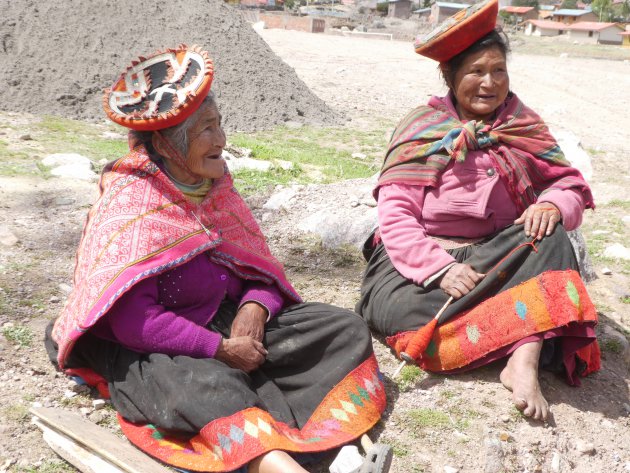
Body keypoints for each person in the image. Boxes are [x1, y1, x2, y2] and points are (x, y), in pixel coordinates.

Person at [45, 45, 390, 473]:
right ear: (169, 145)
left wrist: (255, 307)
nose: (222, 141)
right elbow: (133, 323)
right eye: (207, 130)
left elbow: (258, 268)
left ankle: (323, 434)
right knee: (204, 383)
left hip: (225, 321)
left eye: (219, 125)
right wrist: (218, 349)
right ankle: (282, 467)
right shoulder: (130, 204)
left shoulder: (215, 192)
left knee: (341, 329)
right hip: (156, 345)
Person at [355, 0, 599, 423]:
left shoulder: (522, 125)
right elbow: (395, 215)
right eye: (476, 71)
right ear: (450, 76)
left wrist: (552, 202)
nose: (489, 83)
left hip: (496, 261)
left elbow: (570, 184)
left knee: (553, 238)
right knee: (392, 309)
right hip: (423, 269)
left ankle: (522, 358)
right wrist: (438, 269)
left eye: (498, 70)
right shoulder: (423, 127)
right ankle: (521, 325)